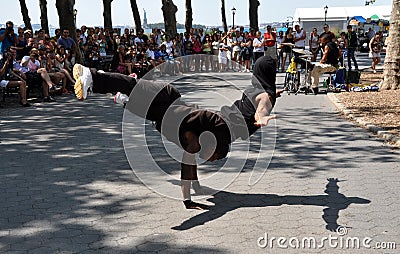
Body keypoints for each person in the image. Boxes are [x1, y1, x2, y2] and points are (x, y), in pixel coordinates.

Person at [72, 56, 283, 209]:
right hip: (202, 117)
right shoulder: (264, 95)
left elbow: (259, 105)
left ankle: (106, 86)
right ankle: (101, 82)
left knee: (146, 95)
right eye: (211, 157)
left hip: (185, 108)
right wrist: (261, 117)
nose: (210, 160)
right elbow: (261, 108)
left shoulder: (258, 92)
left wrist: (191, 194)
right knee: (144, 94)